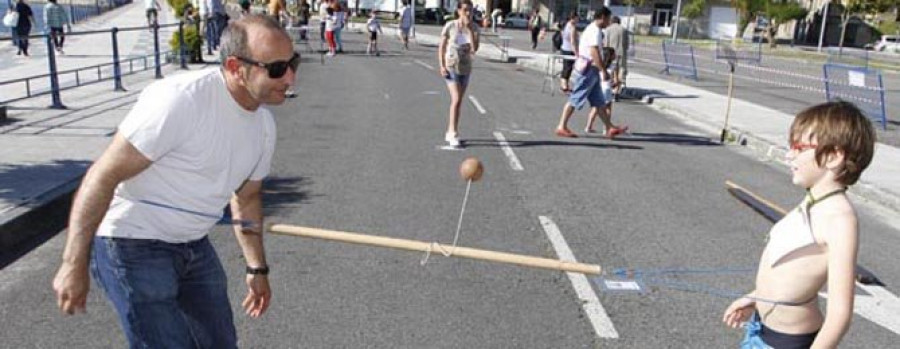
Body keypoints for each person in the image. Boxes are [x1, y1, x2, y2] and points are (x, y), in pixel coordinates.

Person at [52, 14, 298, 348]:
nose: (290, 76)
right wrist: (73, 262)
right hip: (131, 242)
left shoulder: (264, 126)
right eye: (276, 68)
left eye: (292, 63)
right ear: (235, 67)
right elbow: (102, 175)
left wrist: (257, 268)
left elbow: (248, 197)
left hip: (193, 244)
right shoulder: (181, 100)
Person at [722, 101, 876, 349]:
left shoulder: (840, 219)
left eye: (798, 147)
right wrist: (755, 297)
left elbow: (840, 315)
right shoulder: (812, 199)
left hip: (788, 343)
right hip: (760, 329)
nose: (789, 154)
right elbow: (791, 275)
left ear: (834, 156)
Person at [554, 7, 626, 139]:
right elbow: (594, 52)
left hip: (591, 70)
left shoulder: (595, 29)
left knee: (599, 101)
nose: (609, 22)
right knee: (576, 98)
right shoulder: (594, 31)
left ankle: (609, 127)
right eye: (608, 18)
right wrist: (603, 70)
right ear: (603, 17)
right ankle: (562, 126)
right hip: (588, 69)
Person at [438, 0, 479, 148]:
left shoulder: (474, 28)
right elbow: (442, 47)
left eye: (470, 10)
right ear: (459, 11)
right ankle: (453, 132)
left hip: (466, 68)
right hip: (451, 66)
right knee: (455, 99)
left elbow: (474, 50)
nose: (468, 13)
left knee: (459, 102)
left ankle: (451, 130)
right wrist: (441, 65)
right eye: (465, 10)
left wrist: (469, 31)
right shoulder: (450, 26)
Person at [585, 47, 617, 133]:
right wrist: (616, 83)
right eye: (614, 54)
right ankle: (606, 128)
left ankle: (588, 126)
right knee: (608, 108)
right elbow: (615, 80)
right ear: (611, 56)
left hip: (599, 87)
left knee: (595, 108)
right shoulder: (613, 66)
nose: (615, 55)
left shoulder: (599, 65)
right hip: (607, 88)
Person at [604, 16, 628, 100]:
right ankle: (617, 90)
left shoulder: (608, 29)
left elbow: (606, 43)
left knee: (612, 71)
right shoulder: (624, 30)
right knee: (621, 71)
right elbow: (626, 43)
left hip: (611, 53)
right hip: (621, 53)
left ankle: (611, 89)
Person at [558, 11, 578, 94]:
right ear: (573, 18)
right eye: (577, 18)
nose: (578, 20)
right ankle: (564, 86)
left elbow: (562, 35)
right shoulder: (572, 27)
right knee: (568, 68)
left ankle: (565, 84)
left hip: (564, 48)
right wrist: (576, 52)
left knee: (566, 67)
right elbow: (573, 42)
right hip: (569, 49)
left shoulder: (566, 25)